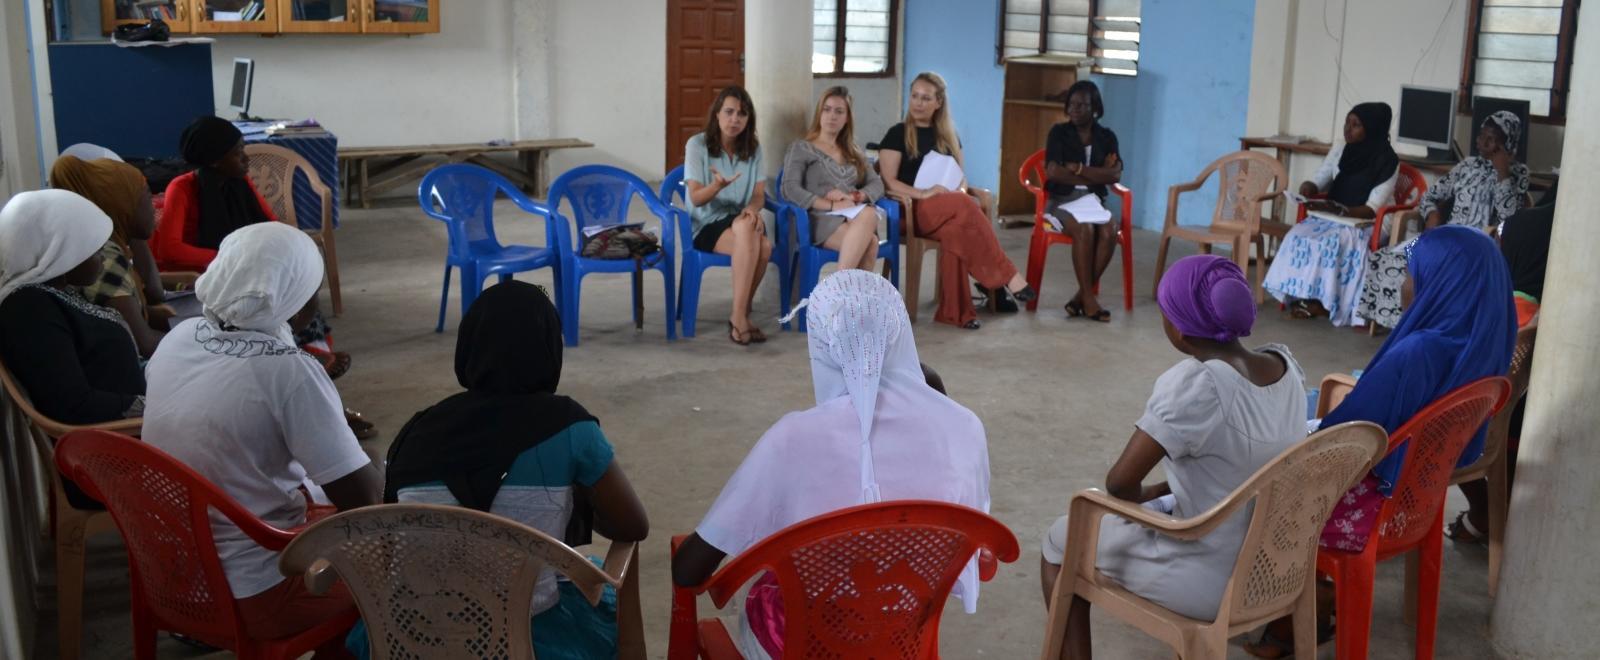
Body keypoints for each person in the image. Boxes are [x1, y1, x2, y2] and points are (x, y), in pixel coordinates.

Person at [672, 270, 991, 659]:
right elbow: (978, 556)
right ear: (901, 334)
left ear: (822, 346)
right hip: (903, 637)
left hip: (800, 645)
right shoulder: (964, 428)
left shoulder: (793, 439)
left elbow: (689, 571)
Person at [1246, 225, 1515, 658]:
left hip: (1368, 504)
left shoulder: (1417, 354)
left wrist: (1298, 434)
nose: (1406, 286)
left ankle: (1293, 615)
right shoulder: (1479, 348)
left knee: (1255, 480)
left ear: (1437, 284)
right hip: (1417, 502)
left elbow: (1342, 440)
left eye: (1412, 275)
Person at [349, 280, 649, 659]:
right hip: (533, 638)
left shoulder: (417, 430)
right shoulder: (571, 427)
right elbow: (634, 526)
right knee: (590, 588)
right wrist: (576, 498)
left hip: (417, 638)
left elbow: (392, 548)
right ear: (549, 350)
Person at [1039, 255, 1306, 660]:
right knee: (1163, 505)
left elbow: (1120, 484)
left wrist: (1150, 495)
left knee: (1062, 538)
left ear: (1179, 327)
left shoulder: (1197, 386)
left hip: (1210, 578)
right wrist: (1170, 490)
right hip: (1278, 568)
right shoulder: (1284, 367)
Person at [142, 222, 383, 652]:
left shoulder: (179, 338)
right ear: (296, 301)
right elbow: (363, 502)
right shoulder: (288, 371)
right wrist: (378, 466)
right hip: (255, 591)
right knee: (399, 566)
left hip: (173, 574)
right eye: (312, 288)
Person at [876, 72, 1037, 329]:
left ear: (939, 102)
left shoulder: (949, 136)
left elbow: (961, 179)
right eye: (914, 96)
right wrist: (924, 193)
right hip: (911, 211)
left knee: (956, 230)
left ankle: (956, 312)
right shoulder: (897, 133)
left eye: (926, 98)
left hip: (947, 211)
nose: (918, 102)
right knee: (965, 206)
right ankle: (1008, 275)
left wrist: (957, 190)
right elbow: (889, 182)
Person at [1446, 183, 1555, 545]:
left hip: (1468, 430)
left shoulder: (1497, 317)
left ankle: (1483, 514)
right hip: (1511, 418)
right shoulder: (1538, 320)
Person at [1356, 112, 1529, 330]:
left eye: (1491, 138)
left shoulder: (1518, 174)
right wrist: (1432, 214)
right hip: (1446, 238)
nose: (1481, 141)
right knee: (1389, 258)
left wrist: (1502, 173)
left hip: (1477, 246)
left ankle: (1424, 330)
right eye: (1481, 135)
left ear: (1506, 144)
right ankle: (1403, 327)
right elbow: (1430, 196)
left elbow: (1510, 219)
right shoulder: (1467, 165)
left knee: (1437, 268)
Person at [0, 190, 145, 426]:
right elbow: (72, 405)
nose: (103, 259)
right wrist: (154, 407)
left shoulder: (55, 292)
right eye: (94, 249)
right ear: (60, 251)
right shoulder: (28, 310)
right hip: (114, 444)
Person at [1263, 103, 1400, 325]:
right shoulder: (1341, 147)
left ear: (1372, 128)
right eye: (1347, 122)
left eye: (1356, 125)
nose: (1348, 129)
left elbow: (1373, 207)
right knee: (1299, 235)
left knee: (1333, 243)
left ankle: (1328, 303)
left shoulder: (1388, 161)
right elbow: (1322, 176)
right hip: (1336, 214)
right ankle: (1302, 293)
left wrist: (1343, 211)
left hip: (1370, 220)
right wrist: (1309, 187)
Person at [50, 155, 172, 356]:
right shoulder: (105, 255)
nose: (153, 206)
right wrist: (198, 340)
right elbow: (145, 345)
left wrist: (129, 229)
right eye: (146, 195)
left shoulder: (112, 245)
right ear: (123, 204)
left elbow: (154, 293)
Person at [685, 86, 773, 345]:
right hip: (706, 222)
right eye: (729, 112)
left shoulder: (754, 149)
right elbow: (696, 198)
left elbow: (759, 195)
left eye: (742, 114)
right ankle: (741, 316)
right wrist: (716, 186)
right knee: (763, 246)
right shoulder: (697, 145)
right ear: (717, 114)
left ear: (749, 120)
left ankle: (738, 315)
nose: (735, 119)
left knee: (753, 232)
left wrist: (752, 209)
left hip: (740, 218)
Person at [1044, 80, 1125, 323]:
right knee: (1085, 229)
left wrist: (1078, 168)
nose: (1075, 109)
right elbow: (1054, 172)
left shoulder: (1107, 137)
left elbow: (1115, 175)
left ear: (1095, 108)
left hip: (1093, 201)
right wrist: (1097, 171)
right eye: (1072, 105)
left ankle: (1081, 296)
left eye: (1082, 105)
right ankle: (1089, 300)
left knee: (1110, 228)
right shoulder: (1058, 133)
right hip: (1061, 201)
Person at [151, 116, 275, 273]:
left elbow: (271, 224)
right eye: (238, 153)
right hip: (198, 272)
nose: (246, 158)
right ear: (215, 161)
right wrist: (226, 257)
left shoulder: (240, 182)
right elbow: (169, 249)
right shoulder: (182, 187)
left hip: (238, 264)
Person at [782, 87, 886, 273]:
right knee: (870, 242)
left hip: (854, 217)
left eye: (839, 111)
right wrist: (831, 205)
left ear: (847, 118)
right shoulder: (802, 148)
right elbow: (789, 188)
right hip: (819, 219)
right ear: (819, 113)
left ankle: (838, 295)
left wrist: (855, 196)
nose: (832, 116)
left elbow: (877, 184)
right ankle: (842, 294)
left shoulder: (854, 152)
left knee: (868, 220)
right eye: (827, 109)